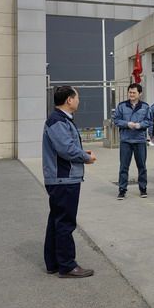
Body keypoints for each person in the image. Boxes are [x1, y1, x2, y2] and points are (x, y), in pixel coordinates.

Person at [42, 86, 96, 278]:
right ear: (69, 100)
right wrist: (86, 158)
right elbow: (66, 149)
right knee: (65, 223)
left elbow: (67, 146)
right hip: (63, 179)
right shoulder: (58, 120)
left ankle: (54, 263)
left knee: (56, 222)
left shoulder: (61, 119)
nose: (79, 100)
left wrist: (82, 152)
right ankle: (67, 266)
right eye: (77, 97)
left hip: (61, 178)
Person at [112, 83, 153, 200]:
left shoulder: (145, 106)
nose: (132, 94)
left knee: (142, 166)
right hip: (126, 140)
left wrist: (140, 125)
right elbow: (115, 120)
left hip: (140, 140)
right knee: (124, 166)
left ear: (140, 94)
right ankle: (122, 189)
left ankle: (143, 188)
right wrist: (127, 124)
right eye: (130, 92)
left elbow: (149, 121)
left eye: (134, 92)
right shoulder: (122, 106)